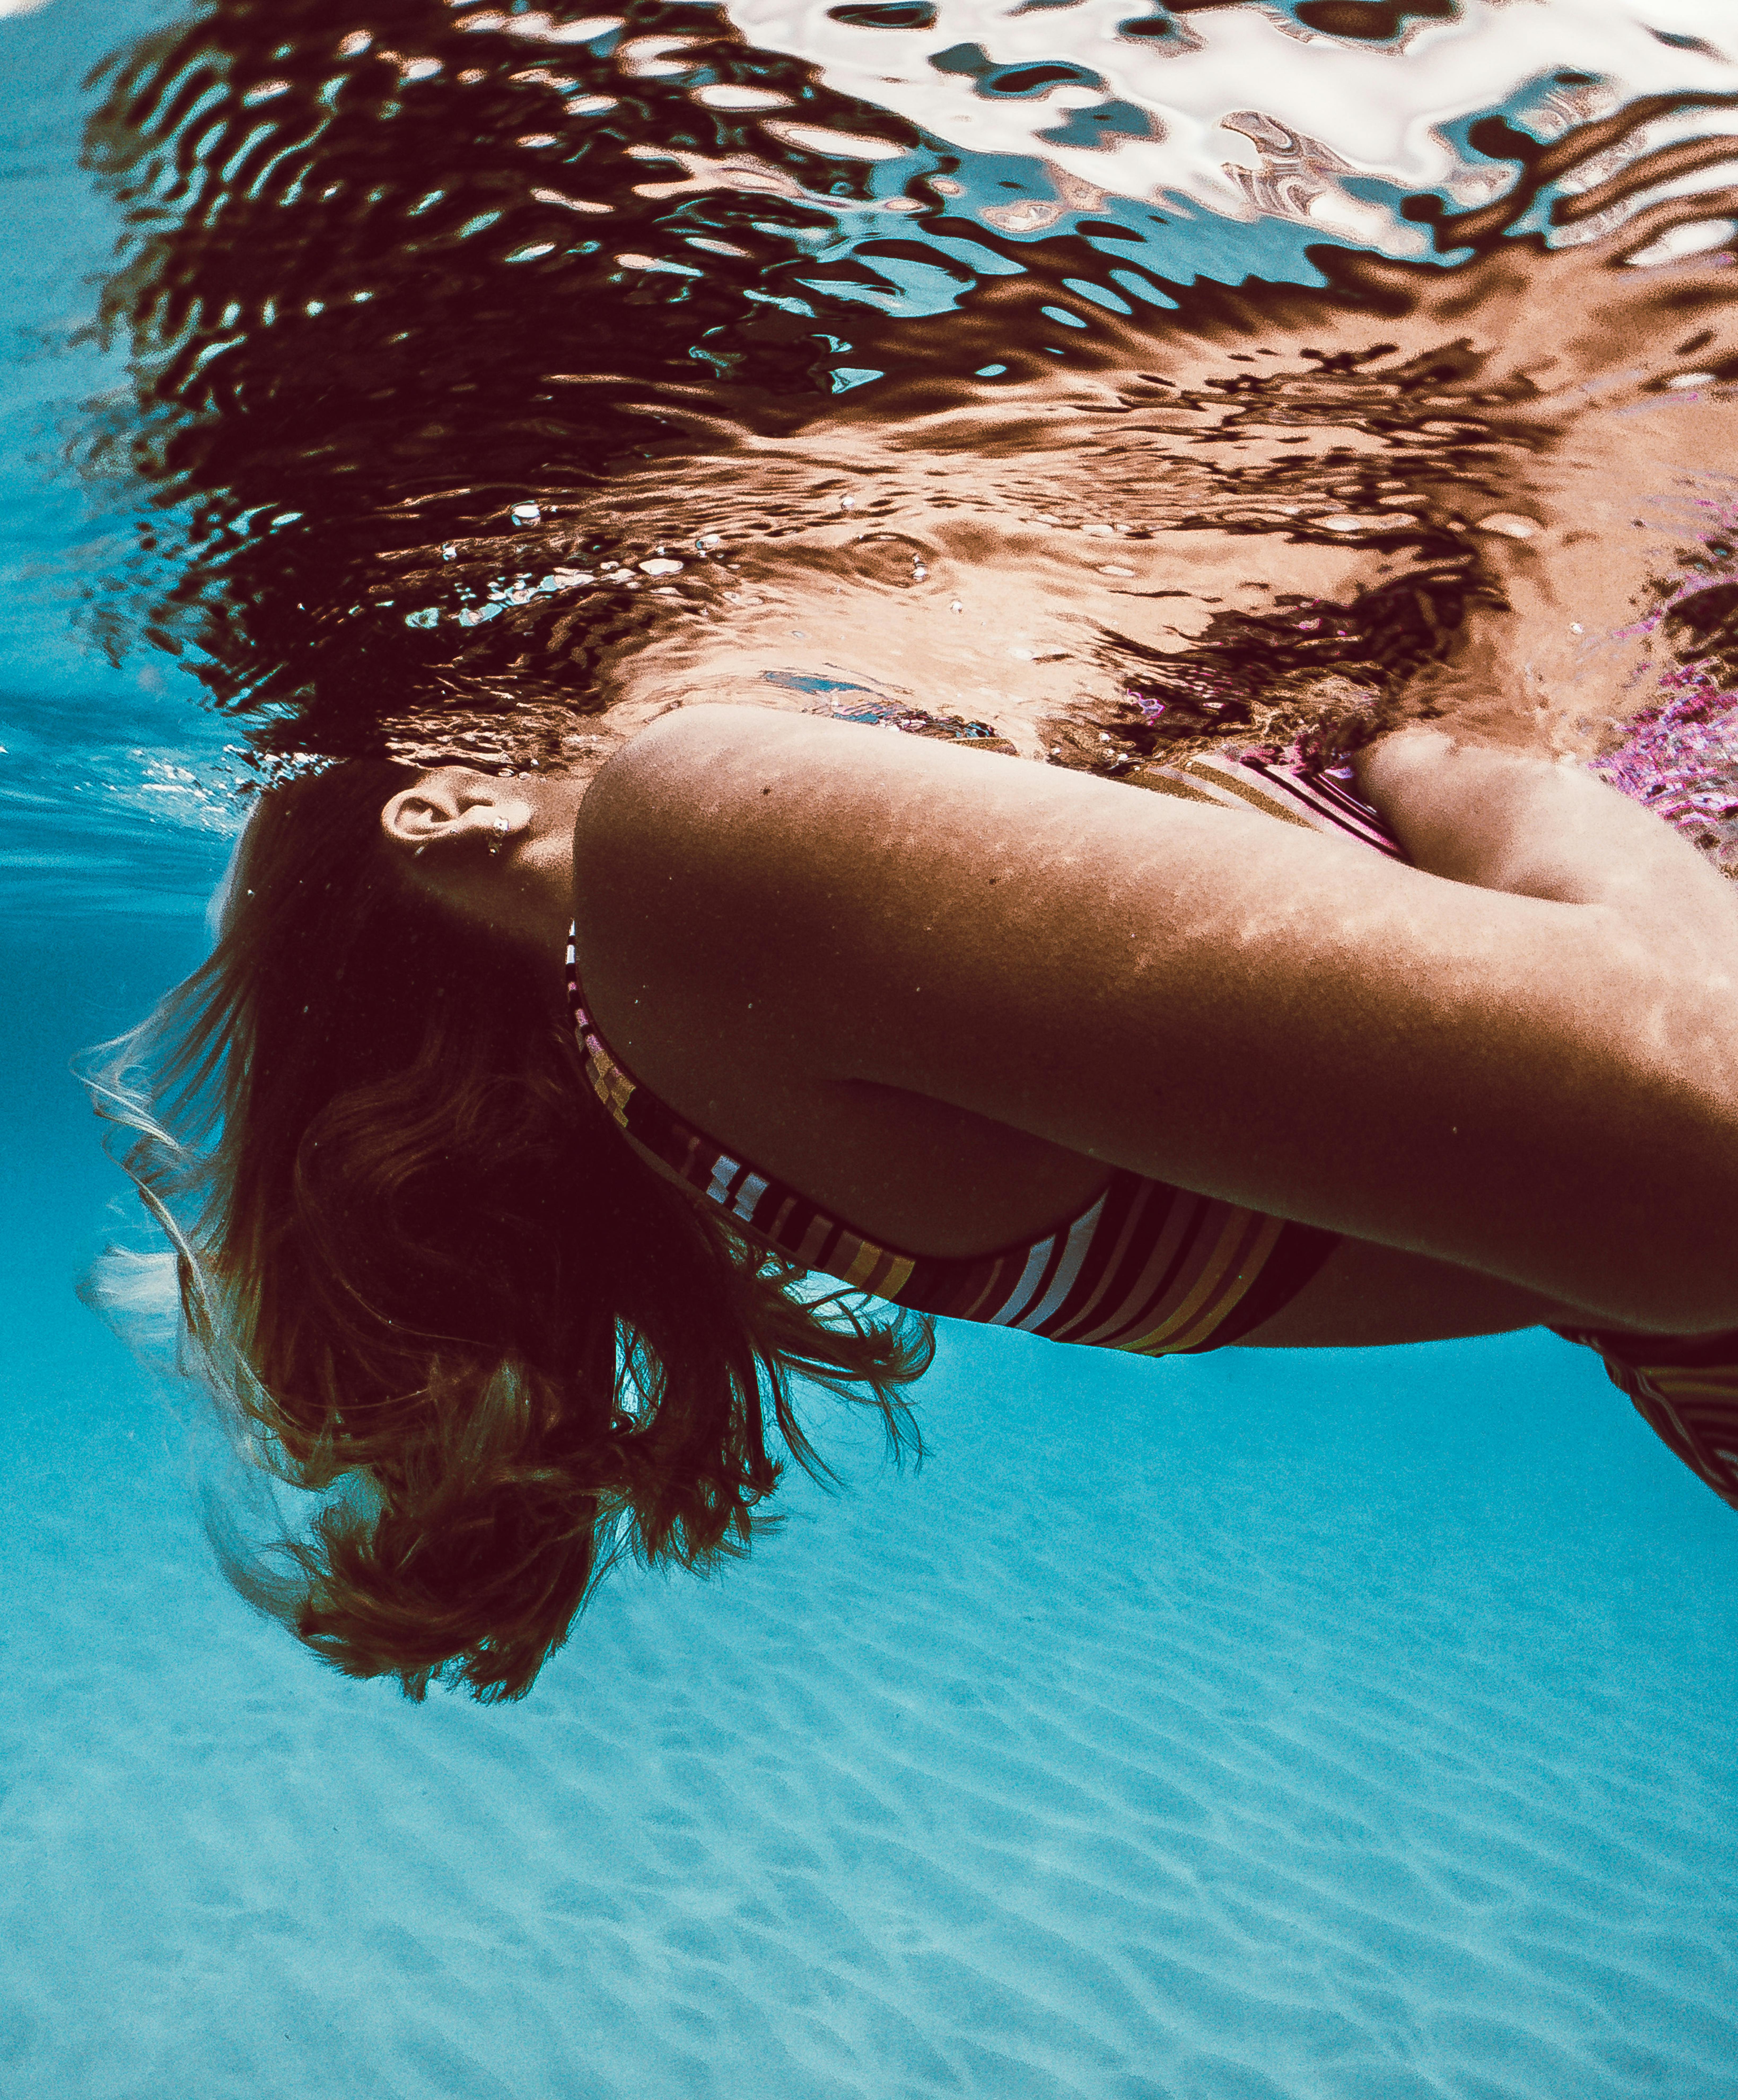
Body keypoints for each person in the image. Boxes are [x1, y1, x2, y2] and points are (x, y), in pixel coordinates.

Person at [93, 702, 1738, 1700]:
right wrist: (1447, 740)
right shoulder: (682, 852)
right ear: (445, 802)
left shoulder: (736, 1085)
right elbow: (1707, 1162)